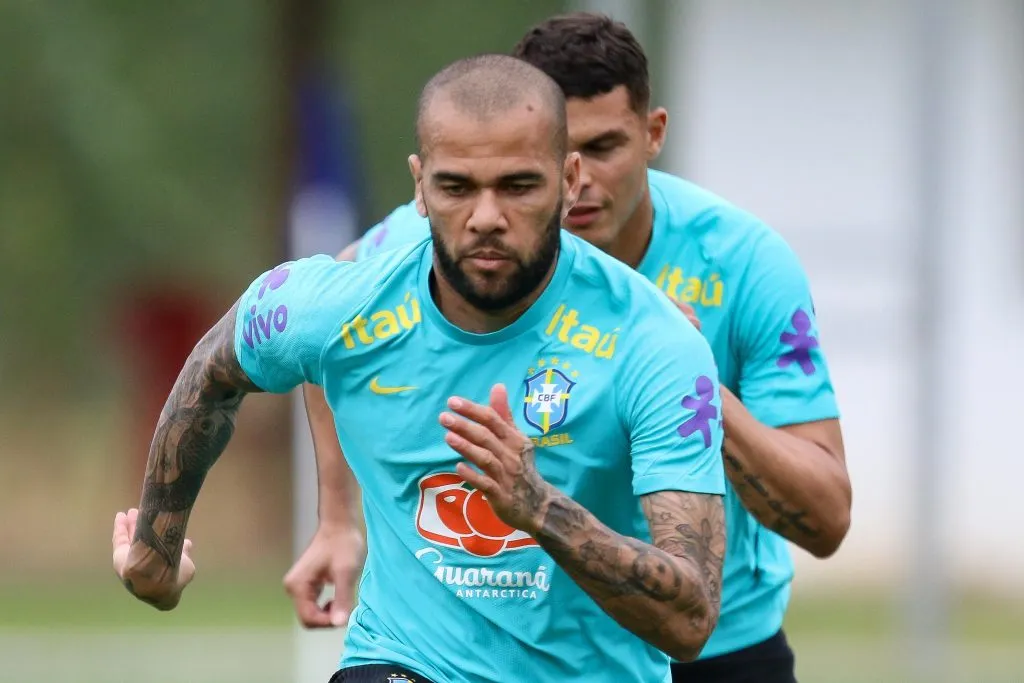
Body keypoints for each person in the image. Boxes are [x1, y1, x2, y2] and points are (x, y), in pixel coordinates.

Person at [110, 54, 728, 683]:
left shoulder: (653, 341)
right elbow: (214, 371)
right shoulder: (341, 304)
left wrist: (540, 508)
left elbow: (689, 619)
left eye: (518, 186)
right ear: (419, 185)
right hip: (406, 663)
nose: (486, 217)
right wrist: (156, 547)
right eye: (457, 187)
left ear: (570, 181)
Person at [290, 13, 852, 683]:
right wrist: (336, 516)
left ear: (654, 135)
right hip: (528, 654)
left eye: (606, 147)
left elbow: (825, 520)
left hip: (718, 643)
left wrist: (692, 382)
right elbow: (314, 327)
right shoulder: (443, 238)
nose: (580, 180)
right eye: (556, 159)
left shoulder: (743, 262)